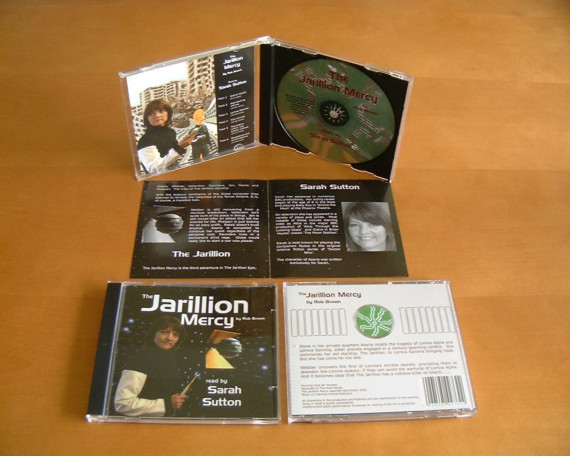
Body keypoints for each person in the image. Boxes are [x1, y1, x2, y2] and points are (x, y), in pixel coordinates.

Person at [114, 316, 188, 417]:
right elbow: (123, 404)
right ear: (154, 333)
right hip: (139, 425)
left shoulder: (169, 361)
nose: (169, 338)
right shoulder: (142, 359)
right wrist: (167, 404)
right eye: (164, 332)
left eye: (175, 334)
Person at [137, 99, 195, 174]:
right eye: (152, 113)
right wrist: (179, 148)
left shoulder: (171, 132)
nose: (157, 115)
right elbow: (153, 169)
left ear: (168, 114)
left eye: (161, 111)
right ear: (147, 118)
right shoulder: (145, 140)